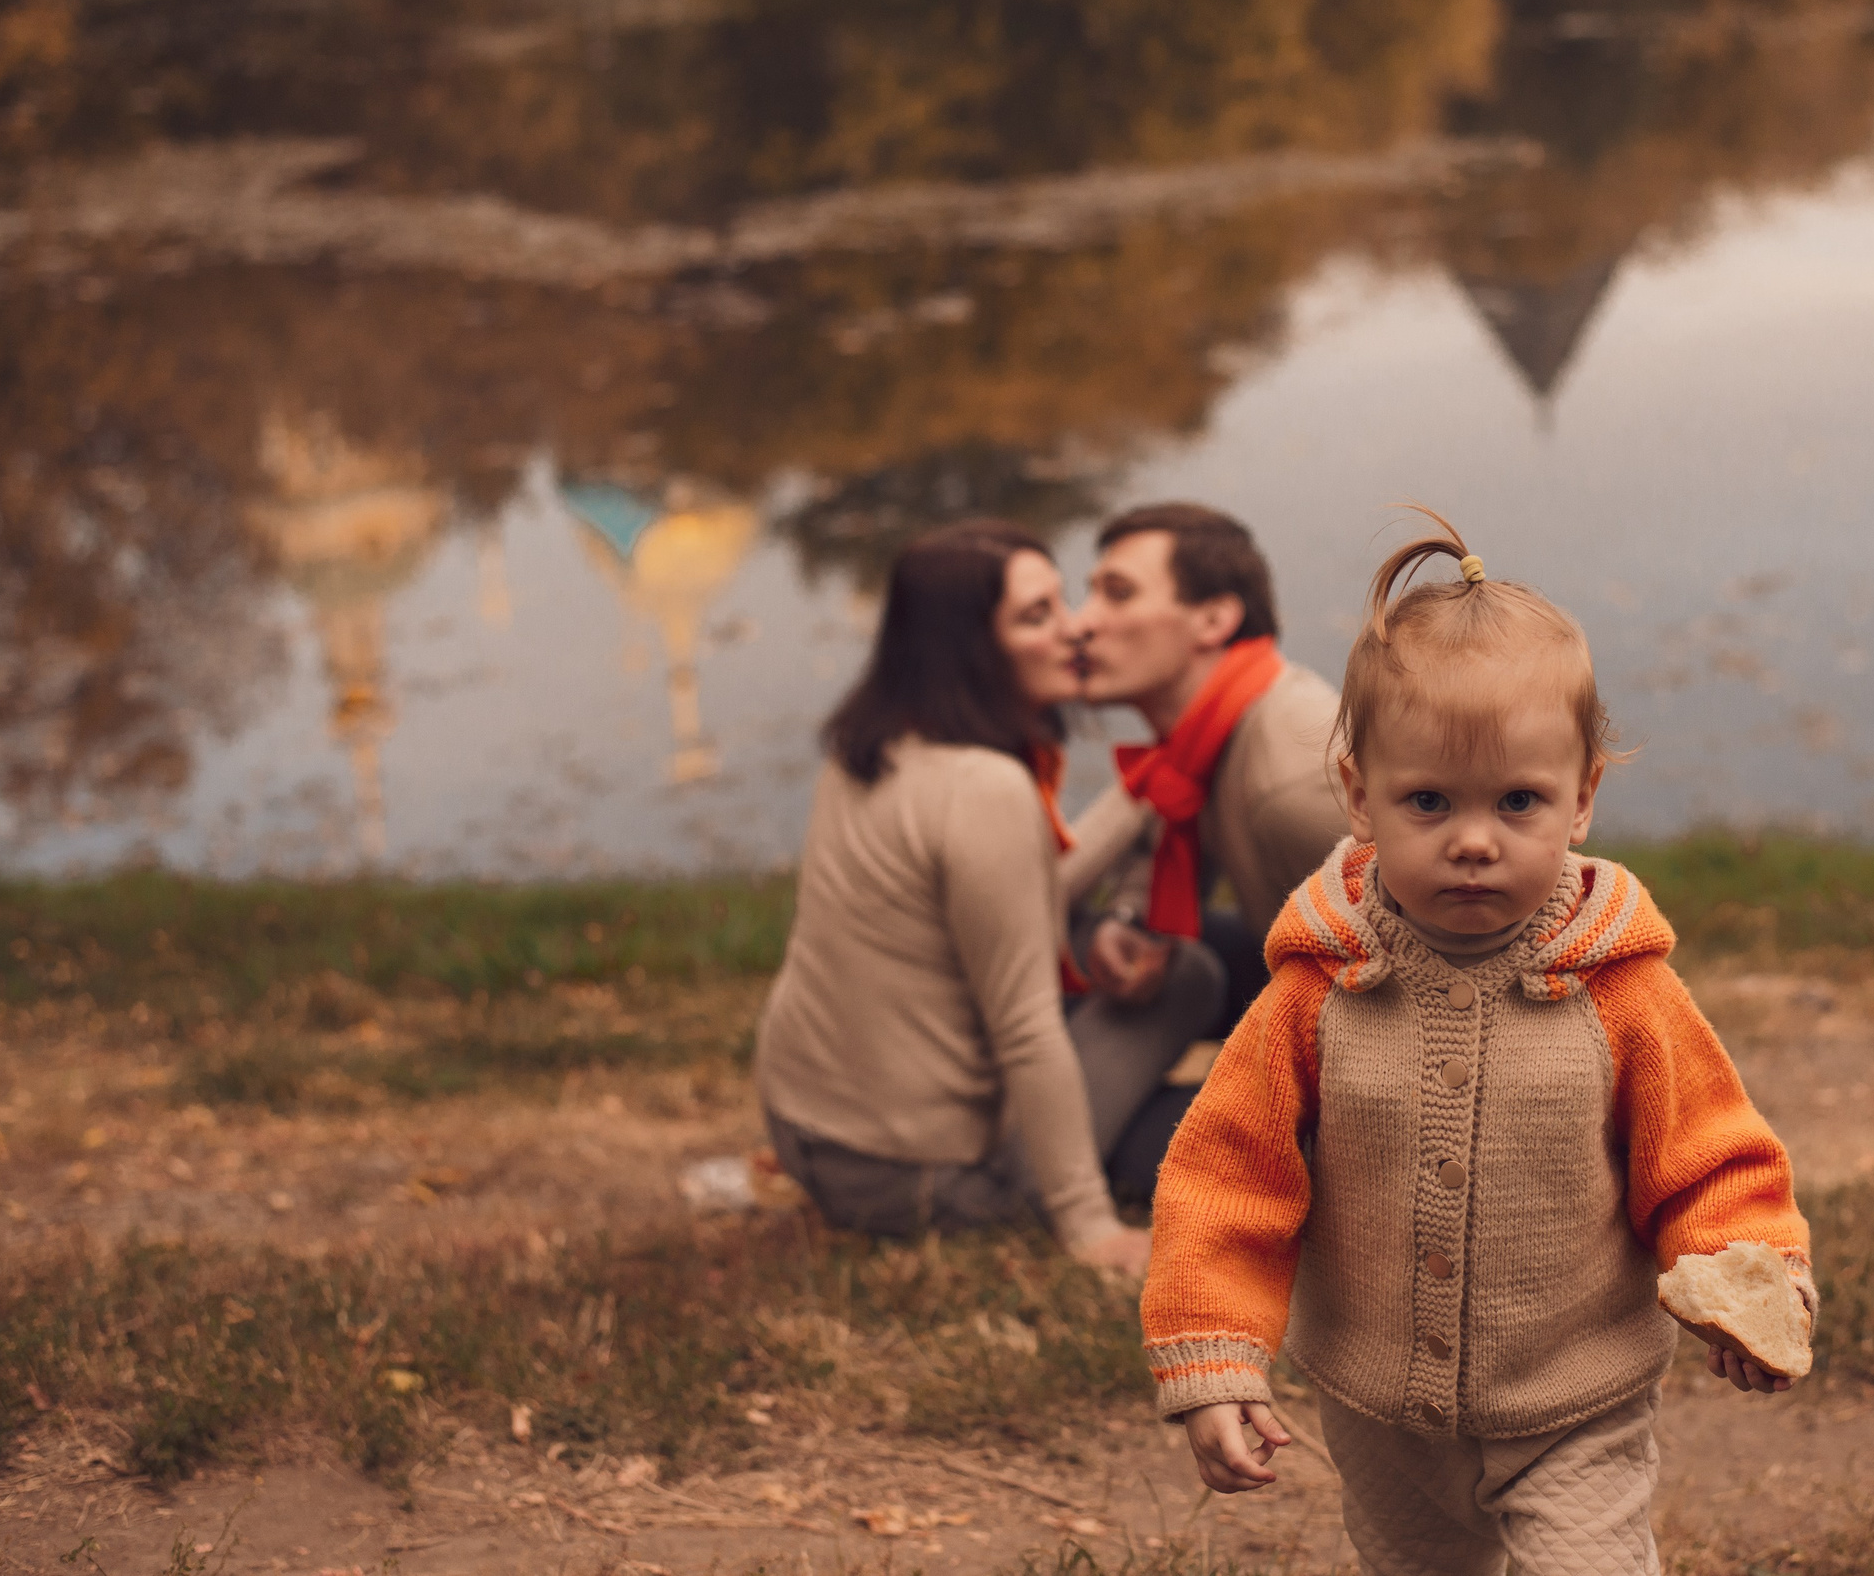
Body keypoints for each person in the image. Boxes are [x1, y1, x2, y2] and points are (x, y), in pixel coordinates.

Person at [1138, 508, 1815, 1575]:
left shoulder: (1621, 991)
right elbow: (1230, 1176)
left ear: (1582, 795)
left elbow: (1707, 1155)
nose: (1471, 837)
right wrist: (1215, 1356)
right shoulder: (1316, 994)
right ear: (1358, 795)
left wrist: (1747, 1272)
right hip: (1378, 1406)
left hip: (1573, 1397)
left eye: (1517, 800)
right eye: (1426, 800)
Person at [752, 521, 1151, 1280]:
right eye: (1037, 616)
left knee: (1142, 1003)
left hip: (803, 1124)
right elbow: (1027, 1024)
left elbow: (1008, 906)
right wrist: (1091, 1225)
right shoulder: (985, 787)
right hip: (908, 1175)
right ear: (968, 647)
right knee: (1187, 983)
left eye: (1060, 600)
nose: (1074, 628)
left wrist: (1140, 794)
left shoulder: (873, 744)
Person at [1062, 505, 1353, 1121]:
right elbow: (1164, 835)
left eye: (1118, 595)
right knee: (1090, 940)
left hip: (1378, 1063)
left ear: (1215, 619)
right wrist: (1129, 918)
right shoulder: (1201, 741)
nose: (1080, 624)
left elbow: (1438, 972)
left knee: (1147, 1141)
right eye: (1089, 594)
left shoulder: (1297, 789)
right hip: (1306, 983)